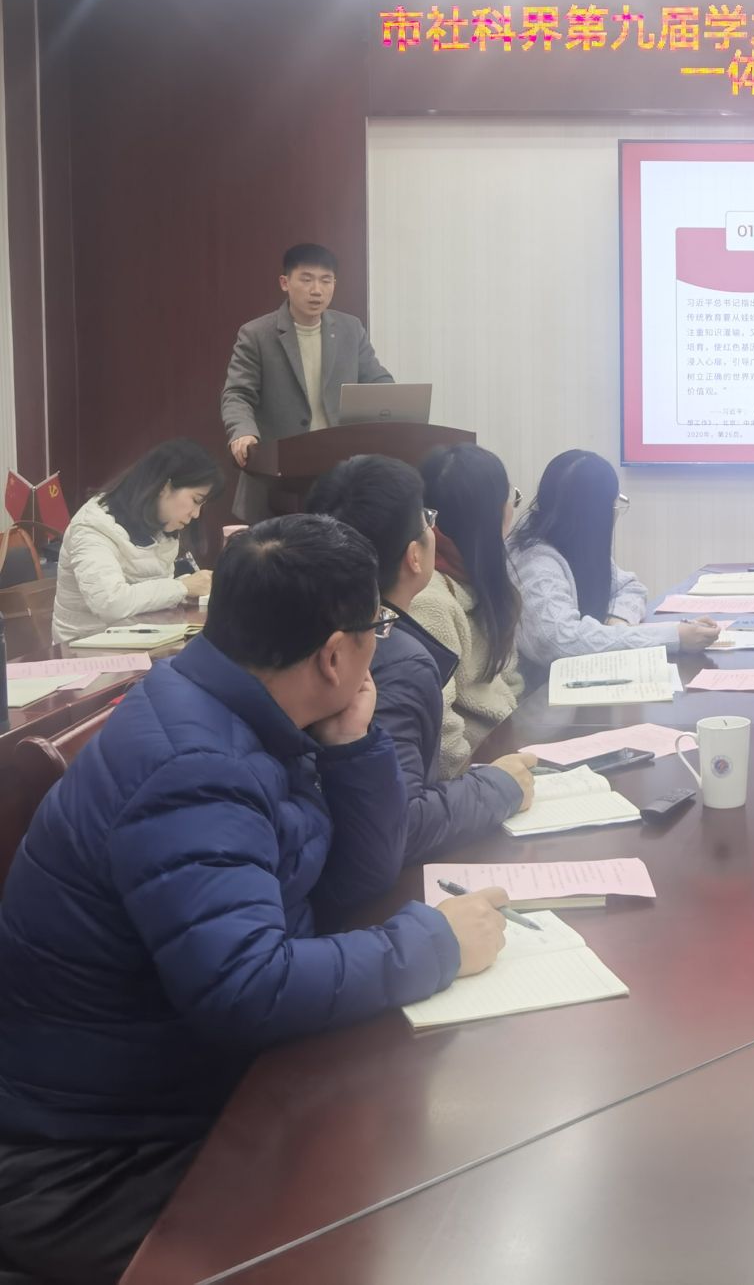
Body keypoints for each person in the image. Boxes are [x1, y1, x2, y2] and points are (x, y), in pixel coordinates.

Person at [0, 514, 510, 1284]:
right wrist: (434, 945)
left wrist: (353, 745)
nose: (380, 645)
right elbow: (246, 986)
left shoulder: (241, 706)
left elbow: (355, 880)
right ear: (334, 654)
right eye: (376, 629)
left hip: (174, 1098)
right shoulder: (195, 766)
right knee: (401, 1226)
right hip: (88, 1166)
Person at [305, 456, 537, 861]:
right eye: (428, 520)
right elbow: (406, 818)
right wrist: (498, 786)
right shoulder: (396, 652)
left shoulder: (327, 625)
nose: (436, 530)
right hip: (433, 824)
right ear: (414, 556)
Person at [220, 243, 394, 519]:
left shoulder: (350, 329)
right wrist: (242, 431)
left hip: (338, 473)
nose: (317, 290)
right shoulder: (256, 334)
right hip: (278, 478)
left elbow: (376, 380)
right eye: (307, 279)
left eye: (326, 280)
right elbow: (237, 394)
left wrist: (396, 408)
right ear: (284, 282)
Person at [510, 449, 717, 671]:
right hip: (543, 688)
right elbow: (560, 641)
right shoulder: (535, 562)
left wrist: (619, 619)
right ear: (595, 514)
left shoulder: (574, 542)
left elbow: (630, 587)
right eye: (614, 504)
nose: (615, 512)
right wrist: (673, 637)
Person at [414, 444, 527, 779]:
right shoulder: (429, 601)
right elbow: (440, 736)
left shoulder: (478, 576)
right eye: (510, 499)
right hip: (475, 777)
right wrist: (489, 783)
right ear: (493, 515)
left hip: (503, 753)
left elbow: (509, 678)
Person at [51, 439, 219, 643]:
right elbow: (111, 603)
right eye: (196, 500)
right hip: (85, 649)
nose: (196, 514)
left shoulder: (161, 524)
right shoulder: (93, 525)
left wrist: (189, 588)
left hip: (143, 640)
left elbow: (151, 595)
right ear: (165, 486)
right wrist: (183, 587)